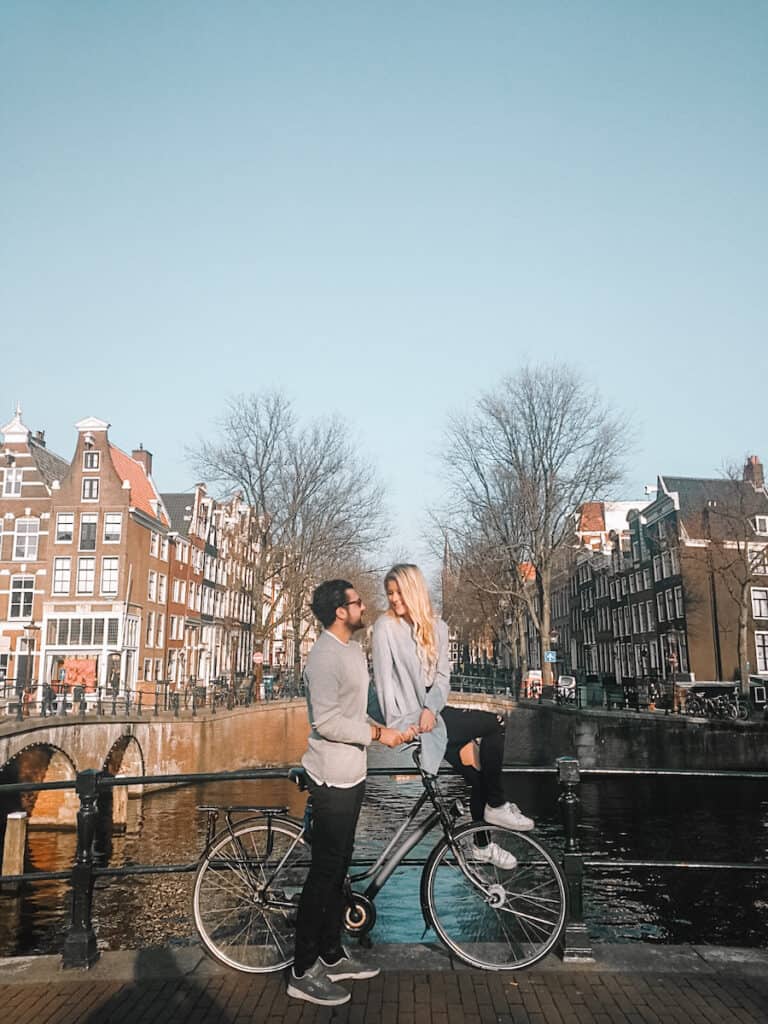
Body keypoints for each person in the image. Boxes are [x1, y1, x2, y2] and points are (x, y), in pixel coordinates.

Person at [372, 563, 534, 872]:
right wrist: (400, 725)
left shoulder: (439, 628)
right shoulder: (385, 627)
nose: (392, 599)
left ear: (414, 590)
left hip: (434, 715)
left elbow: (443, 679)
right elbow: (383, 681)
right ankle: (497, 806)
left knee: (478, 778)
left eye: (398, 592)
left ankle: (482, 846)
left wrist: (430, 709)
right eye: (389, 593)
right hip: (409, 717)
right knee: (494, 722)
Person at [287, 578, 403, 1007]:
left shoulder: (352, 650)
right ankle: (302, 970)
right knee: (323, 875)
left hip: (353, 774)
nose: (363, 606)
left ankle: (332, 954)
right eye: (357, 602)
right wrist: (376, 733)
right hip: (332, 777)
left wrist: (397, 727)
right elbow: (328, 723)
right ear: (340, 611)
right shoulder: (322, 657)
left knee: (338, 872)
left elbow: (360, 704)